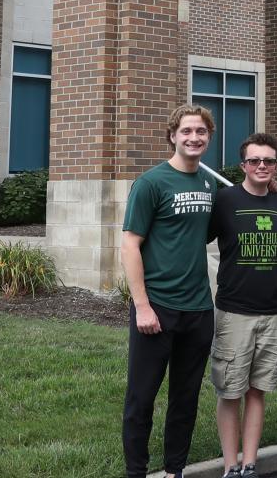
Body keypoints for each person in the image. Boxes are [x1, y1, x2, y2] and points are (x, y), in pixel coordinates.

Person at [121, 104, 221, 478]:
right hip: (157, 308)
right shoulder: (151, 183)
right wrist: (142, 306)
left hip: (198, 308)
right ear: (172, 136)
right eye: (186, 131)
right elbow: (130, 245)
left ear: (208, 137)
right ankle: (137, 471)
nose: (194, 138)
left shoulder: (208, 184)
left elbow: (206, 232)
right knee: (141, 399)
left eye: (201, 132)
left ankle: (174, 470)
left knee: (185, 398)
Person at [210, 132, 277, 478]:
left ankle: (249, 464)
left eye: (269, 161)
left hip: (274, 313)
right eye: (255, 160)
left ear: (276, 165)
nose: (262, 166)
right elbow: (193, 236)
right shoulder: (225, 200)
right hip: (234, 313)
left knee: (259, 390)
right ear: (243, 164)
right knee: (231, 391)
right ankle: (231, 466)